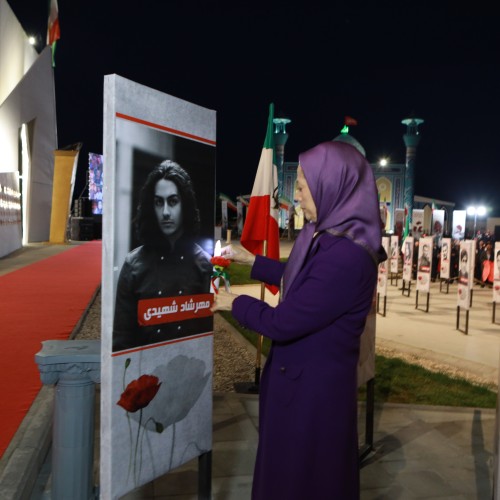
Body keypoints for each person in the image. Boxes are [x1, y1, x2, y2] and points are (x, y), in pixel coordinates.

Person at [213, 141, 385, 499]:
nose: (297, 197)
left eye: (304, 187)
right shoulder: (328, 236)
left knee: (302, 479)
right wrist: (252, 261)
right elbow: (303, 277)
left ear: (331, 187)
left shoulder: (347, 256)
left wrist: (234, 302)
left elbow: (284, 322)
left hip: (313, 397)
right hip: (303, 385)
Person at [113, 160, 212, 352]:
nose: (166, 212)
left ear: (185, 204)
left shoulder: (204, 264)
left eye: (173, 201)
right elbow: (121, 341)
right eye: (159, 202)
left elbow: (206, 334)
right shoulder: (133, 265)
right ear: (152, 207)